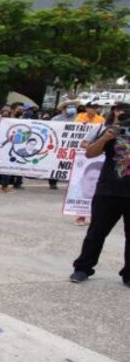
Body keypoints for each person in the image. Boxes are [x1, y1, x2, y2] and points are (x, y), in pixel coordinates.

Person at [69, 102, 130, 287]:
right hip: (108, 190)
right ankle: (83, 268)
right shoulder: (112, 130)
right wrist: (105, 139)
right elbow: (89, 154)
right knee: (96, 232)